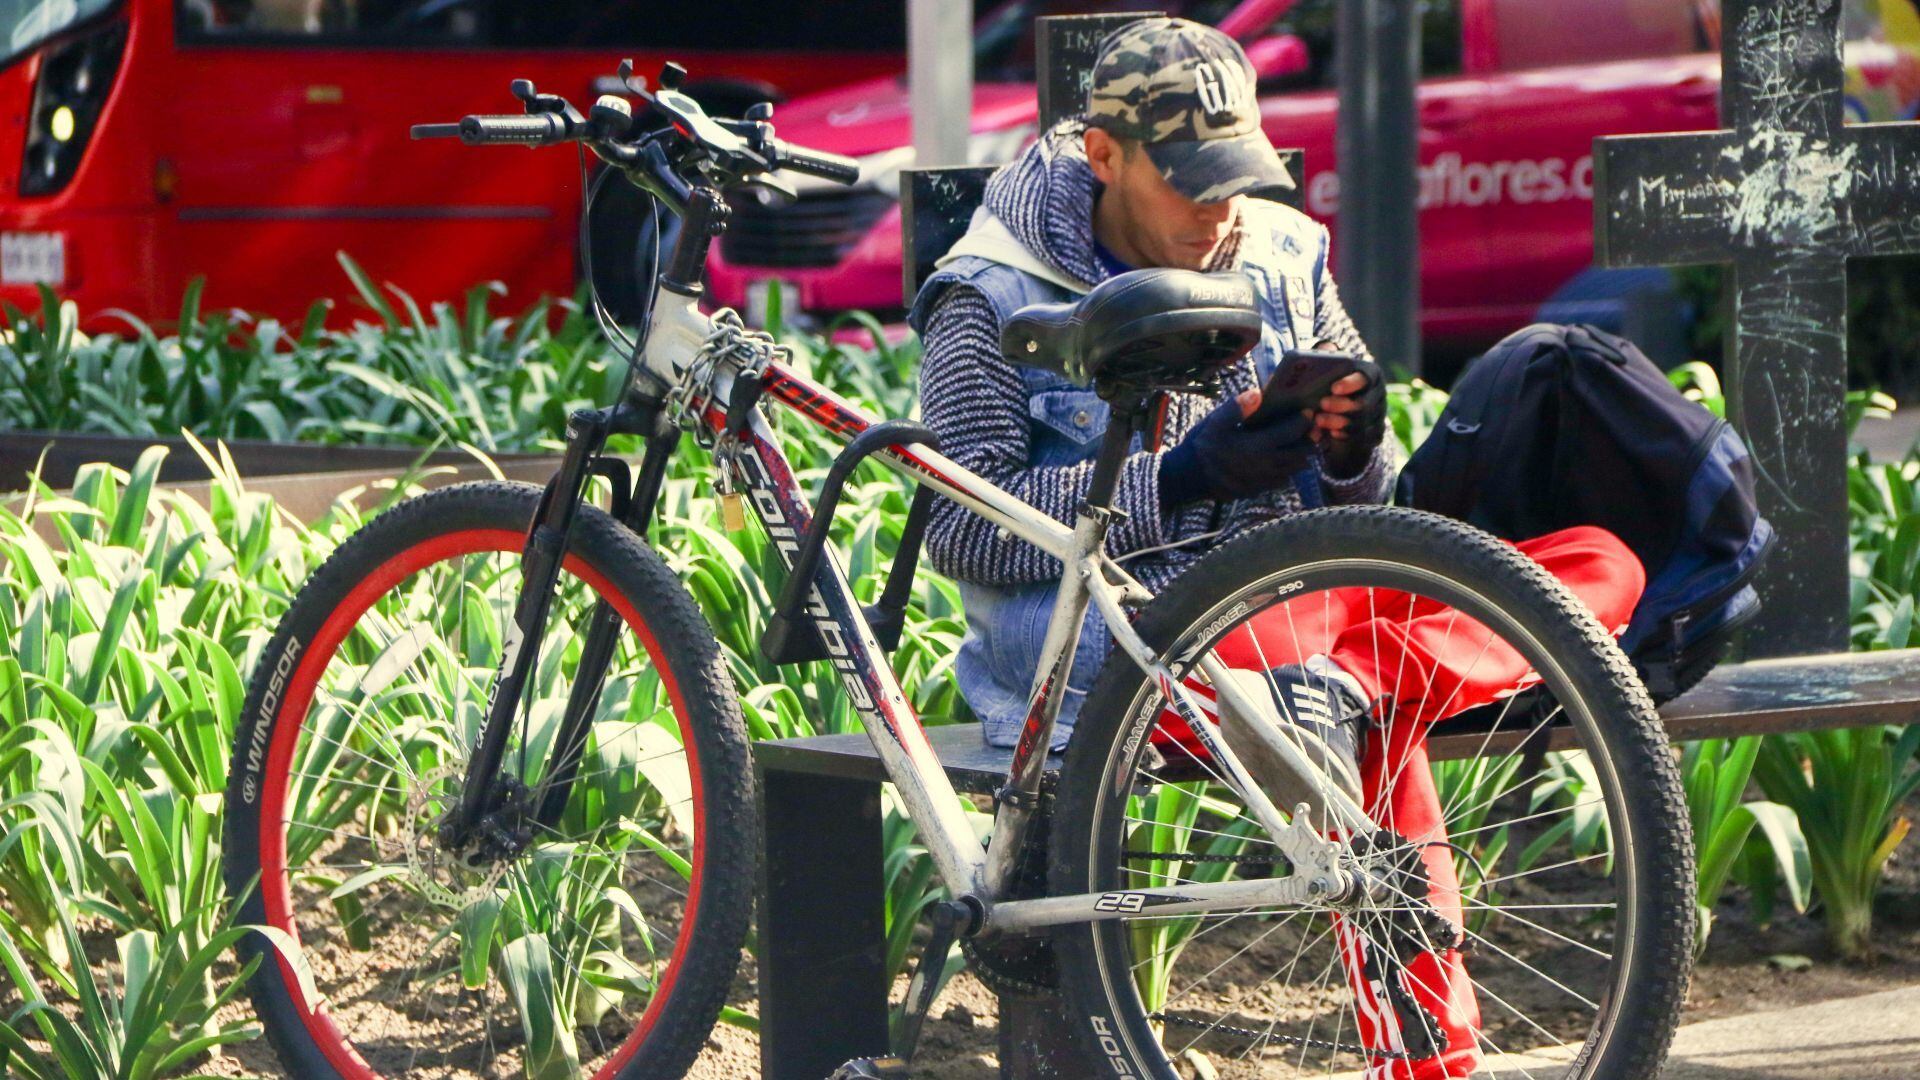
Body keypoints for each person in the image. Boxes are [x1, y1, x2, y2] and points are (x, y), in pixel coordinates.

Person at [908, 17, 1647, 1079]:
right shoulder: (989, 293)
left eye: (1236, 180)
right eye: (1192, 185)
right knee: (1365, 709)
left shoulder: (1284, 250)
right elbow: (965, 524)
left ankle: (1332, 685)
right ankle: (1432, 1046)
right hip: (1128, 647)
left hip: (1302, 617)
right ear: (1103, 157)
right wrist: (1184, 478)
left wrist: (1348, 449)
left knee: (1590, 565)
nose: (1222, 214)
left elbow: (1369, 500)